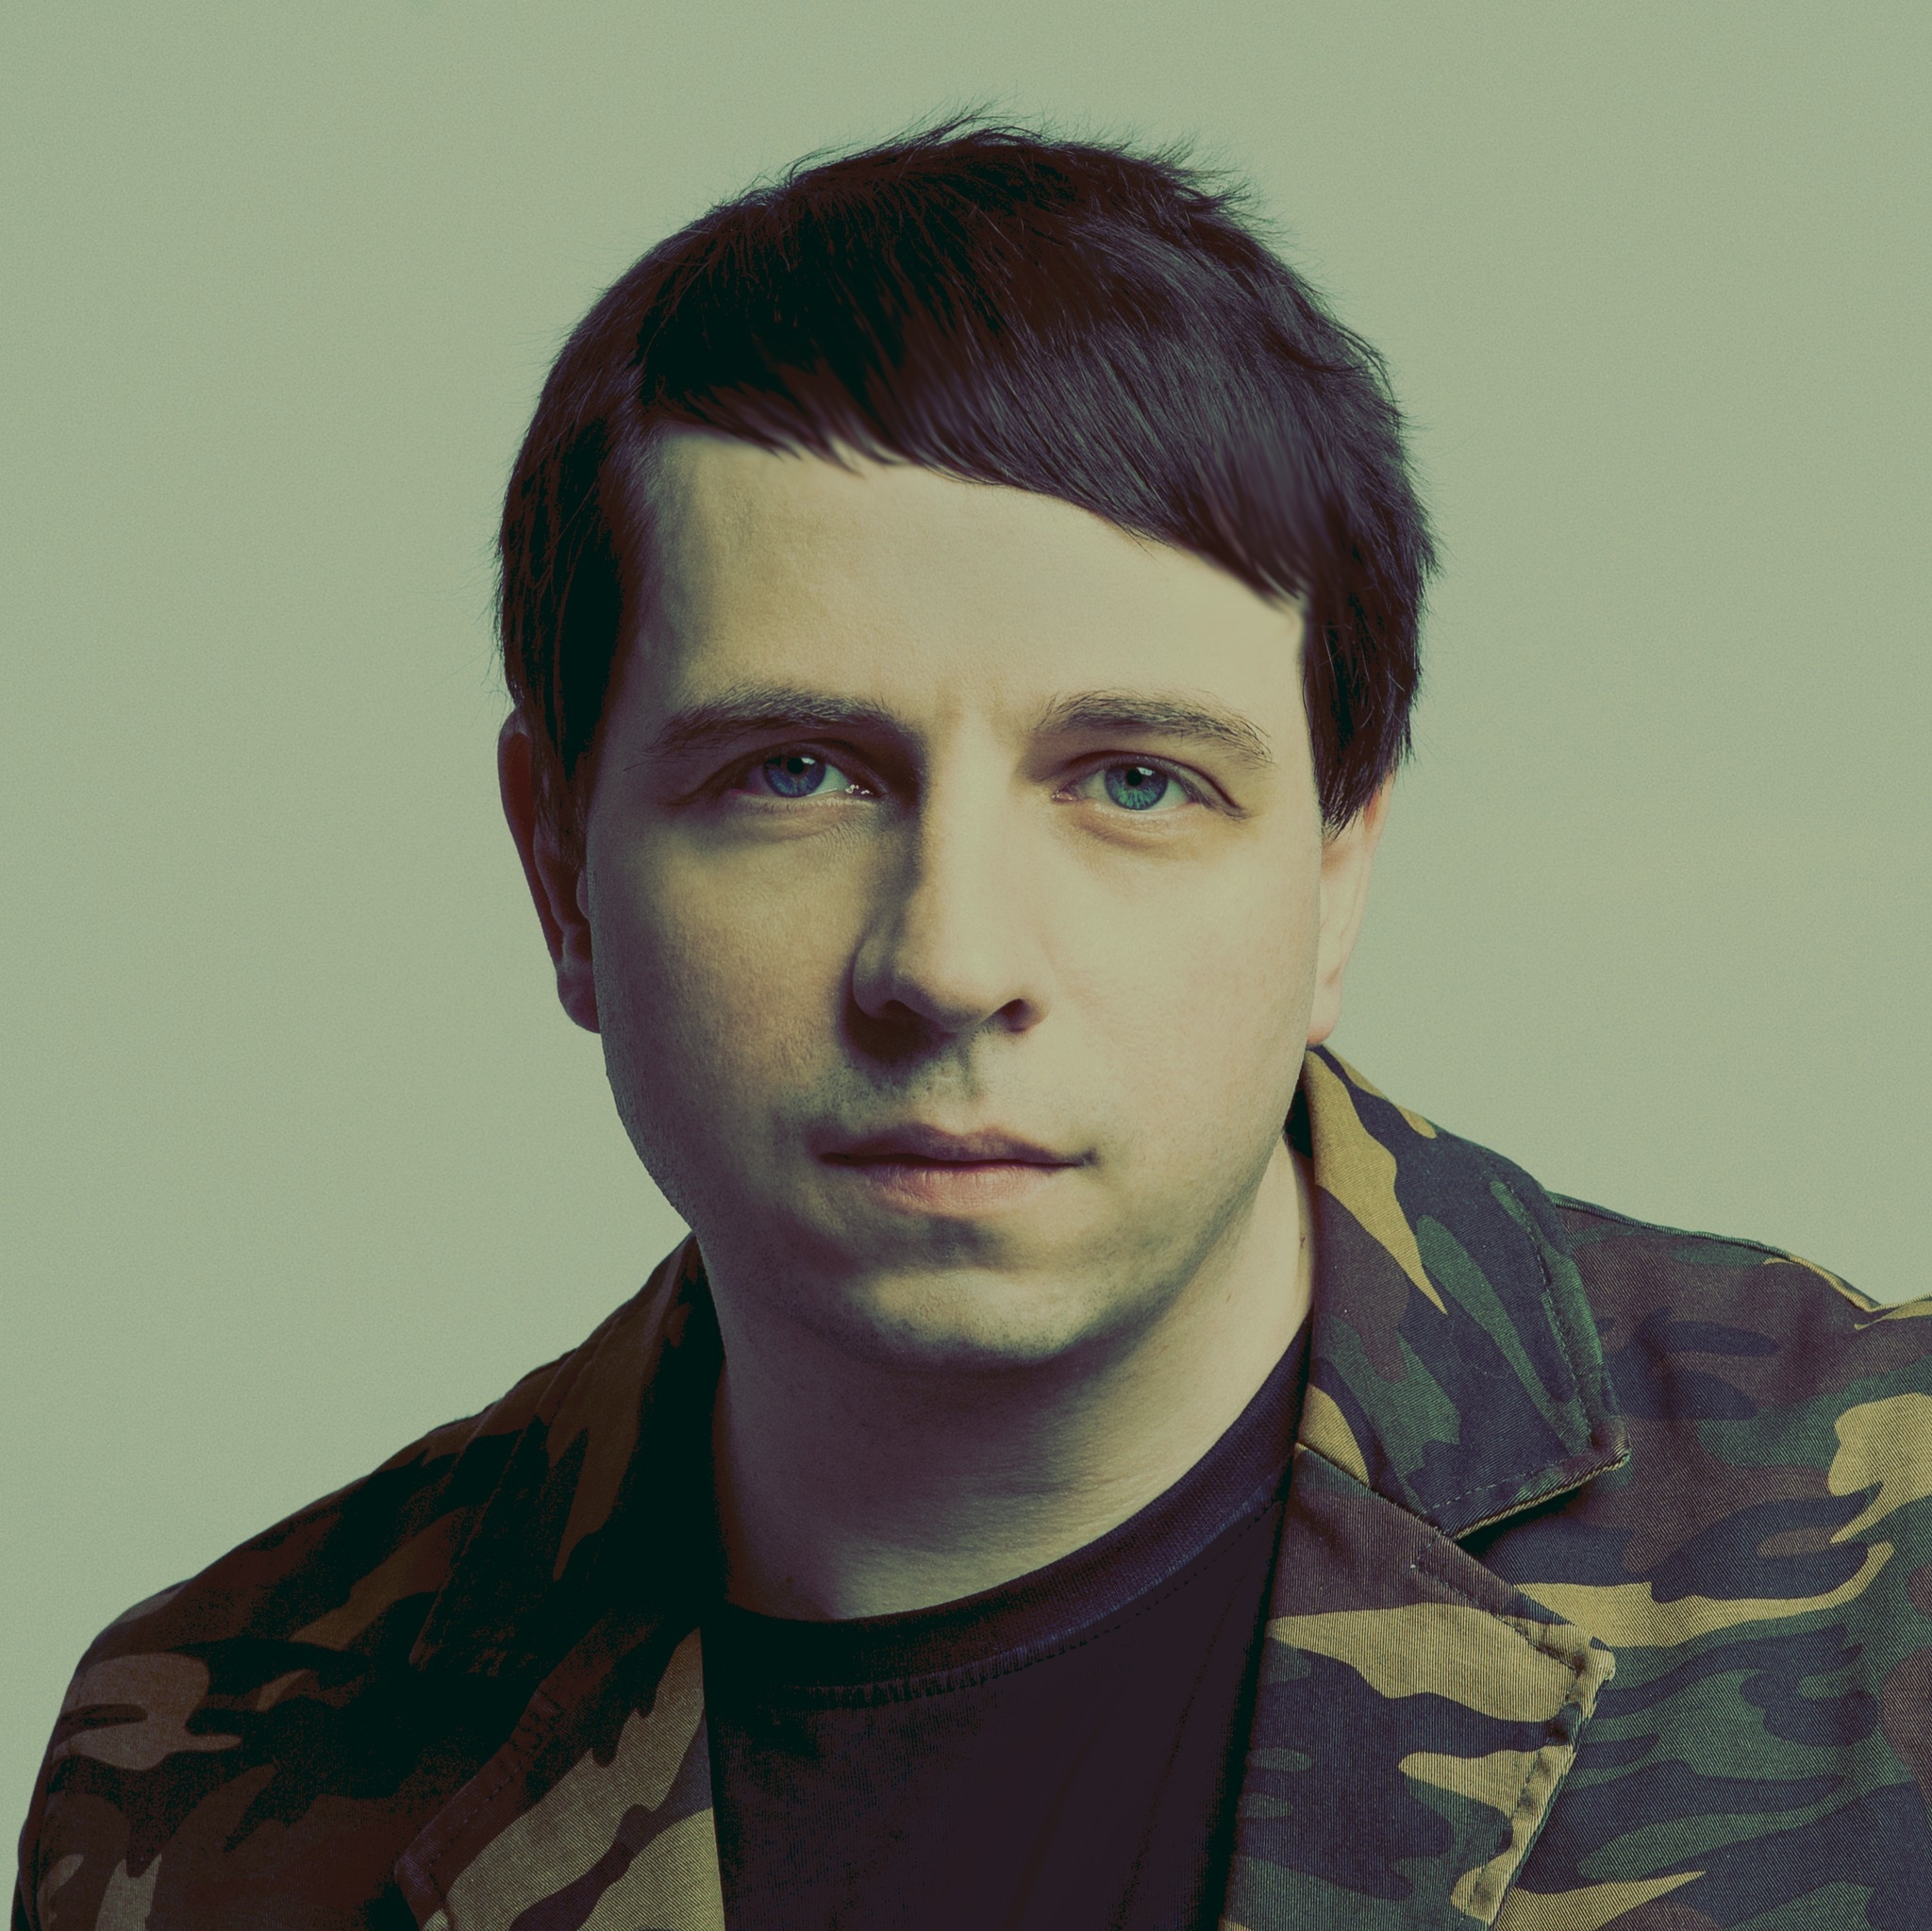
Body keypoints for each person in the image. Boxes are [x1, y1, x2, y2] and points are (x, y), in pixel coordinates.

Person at [17, 116, 1932, 1931]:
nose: (948, 961)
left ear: (1337, 872)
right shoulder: (205, 1765)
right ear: (557, 864)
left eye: (1134, 782)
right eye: (793, 773)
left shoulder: (1893, 1556)